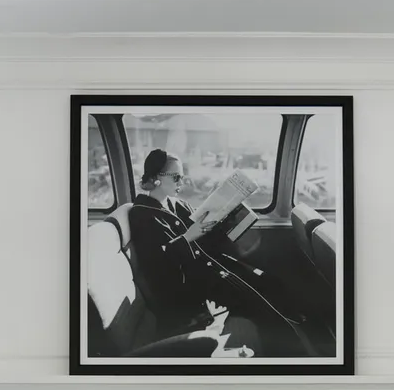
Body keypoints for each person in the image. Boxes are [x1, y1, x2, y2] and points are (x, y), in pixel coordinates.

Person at [126, 149, 311, 358]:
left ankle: (297, 329)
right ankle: (296, 357)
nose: (182, 181)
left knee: (266, 280)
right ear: (155, 178)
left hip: (208, 268)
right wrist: (188, 237)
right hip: (187, 287)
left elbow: (204, 241)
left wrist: (224, 215)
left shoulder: (177, 205)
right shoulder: (141, 213)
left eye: (182, 176)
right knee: (256, 301)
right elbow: (159, 263)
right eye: (176, 176)